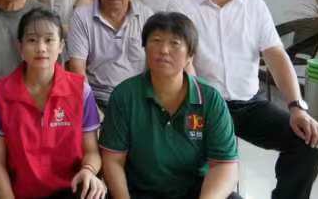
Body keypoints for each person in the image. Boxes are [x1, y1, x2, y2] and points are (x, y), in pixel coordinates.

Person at [167, 0, 318, 199]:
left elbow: (276, 56)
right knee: (205, 174)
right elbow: (184, 63)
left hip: (249, 104)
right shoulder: (180, 5)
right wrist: (198, 103)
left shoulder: (255, 7)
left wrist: (297, 107)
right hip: (201, 105)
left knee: (308, 141)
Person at [100, 12, 240, 199]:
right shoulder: (125, 95)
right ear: (145, 48)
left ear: (190, 55)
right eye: (156, 41)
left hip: (195, 192)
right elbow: (113, 160)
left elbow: (224, 165)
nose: (164, 50)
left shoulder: (210, 99)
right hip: (138, 192)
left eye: (175, 43)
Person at [0, 8, 106, 199]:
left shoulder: (81, 91)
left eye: (49, 40)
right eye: (32, 40)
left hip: (70, 191)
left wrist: (88, 170)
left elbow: (92, 151)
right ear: (20, 47)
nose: (41, 48)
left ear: (61, 46)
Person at [66, 0, 154, 107]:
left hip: (138, 100)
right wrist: (92, 110)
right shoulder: (82, 16)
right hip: (97, 99)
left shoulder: (146, 16)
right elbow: (77, 69)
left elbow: (155, 65)